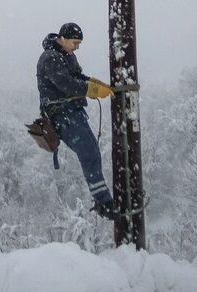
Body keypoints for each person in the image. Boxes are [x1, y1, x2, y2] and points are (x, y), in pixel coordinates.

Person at [36, 22, 117, 220]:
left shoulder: (66, 55)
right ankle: (104, 201)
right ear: (63, 38)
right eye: (75, 42)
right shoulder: (50, 58)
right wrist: (91, 89)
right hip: (61, 114)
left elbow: (76, 77)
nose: (77, 47)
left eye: (79, 43)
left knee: (92, 151)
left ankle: (103, 200)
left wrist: (92, 82)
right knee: (88, 152)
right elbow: (66, 84)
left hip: (73, 112)